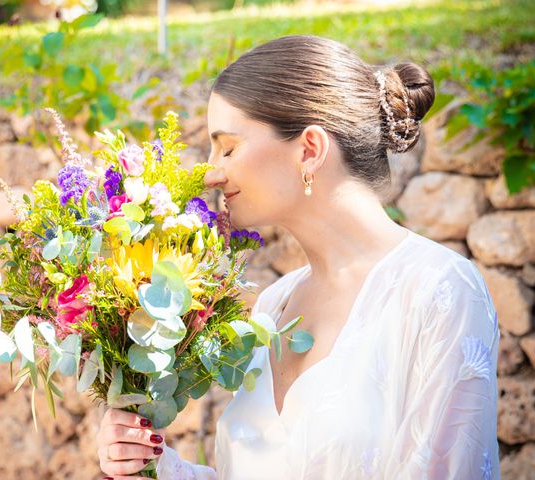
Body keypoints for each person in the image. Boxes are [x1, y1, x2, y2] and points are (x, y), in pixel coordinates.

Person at [96, 35, 500, 480]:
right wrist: (149, 462)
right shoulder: (274, 305)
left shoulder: (439, 291)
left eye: (227, 147)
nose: (210, 173)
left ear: (309, 149)